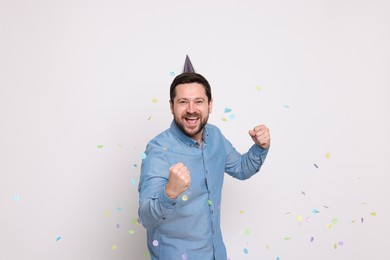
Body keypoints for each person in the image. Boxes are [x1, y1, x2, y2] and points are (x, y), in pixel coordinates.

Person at [138, 56, 270, 260]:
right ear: (172, 106)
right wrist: (169, 192)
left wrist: (260, 147)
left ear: (210, 105)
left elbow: (242, 168)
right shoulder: (158, 150)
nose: (191, 109)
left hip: (216, 254)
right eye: (183, 102)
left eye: (198, 101)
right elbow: (145, 217)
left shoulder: (215, 136)